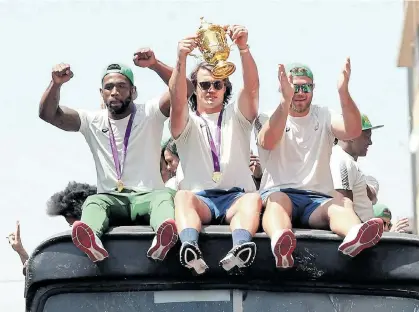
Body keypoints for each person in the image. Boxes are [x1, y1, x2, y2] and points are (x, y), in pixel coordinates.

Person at [38, 48, 192, 263]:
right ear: (101, 92)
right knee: (93, 201)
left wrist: (155, 64)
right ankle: (92, 242)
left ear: (133, 91)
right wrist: (56, 84)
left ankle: (164, 237)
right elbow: (48, 114)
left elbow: (186, 89)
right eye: (109, 87)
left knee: (164, 197)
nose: (115, 91)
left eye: (122, 86)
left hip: (148, 196)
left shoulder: (150, 112)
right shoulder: (91, 120)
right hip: (111, 198)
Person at [255, 61, 384, 269]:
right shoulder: (266, 116)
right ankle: (281, 243)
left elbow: (352, 131)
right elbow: (268, 140)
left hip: (316, 200)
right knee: (277, 202)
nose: (300, 92)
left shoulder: (324, 114)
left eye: (305, 87)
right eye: (294, 87)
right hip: (278, 191)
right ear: (282, 87)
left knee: (340, 205)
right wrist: (285, 102)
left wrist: (343, 92)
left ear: (313, 89)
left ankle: (354, 236)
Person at [169, 24, 262, 275]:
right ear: (195, 88)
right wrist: (181, 58)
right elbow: (176, 99)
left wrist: (243, 48)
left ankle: (241, 248)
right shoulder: (186, 120)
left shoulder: (237, 116)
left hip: (236, 197)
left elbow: (252, 88)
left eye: (218, 84)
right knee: (182, 197)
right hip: (200, 198)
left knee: (253, 199)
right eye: (204, 85)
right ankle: (189, 246)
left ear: (225, 88)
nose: (211, 90)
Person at [7, 182, 96, 275]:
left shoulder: (106, 243)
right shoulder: (72, 253)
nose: (74, 232)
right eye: (71, 226)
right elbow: (39, 275)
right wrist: (20, 250)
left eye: (77, 226)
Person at [330, 114, 383, 222]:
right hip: (355, 235)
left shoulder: (345, 160)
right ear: (351, 135)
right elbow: (344, 207)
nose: (370, 142)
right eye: (367, 136)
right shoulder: (342, 160)